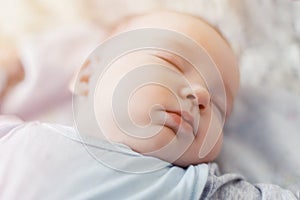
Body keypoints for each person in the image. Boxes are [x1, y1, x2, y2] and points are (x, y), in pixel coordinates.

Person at [0, 11, 298, 199]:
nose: (203, 98)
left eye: (221, 109)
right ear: (89, 74)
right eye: (170, 63)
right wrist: (13, 69)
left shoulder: (198, 188)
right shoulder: (17, 139)